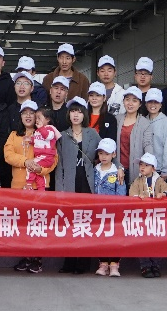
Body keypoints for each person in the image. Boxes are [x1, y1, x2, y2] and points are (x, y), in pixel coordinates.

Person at [4, 102, 53, 274]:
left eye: (31, 113)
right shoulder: (14, 135)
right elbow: (8, 155)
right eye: (24, 112)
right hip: (19, 186)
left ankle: (37, 259)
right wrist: (26, 162)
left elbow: (53, 158)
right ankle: (25, 256)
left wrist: (41, 169)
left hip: (39, 185)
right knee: (22, 223)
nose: (28, 116)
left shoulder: (46, 134)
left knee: (37, 222)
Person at [55, 100, 99, 274]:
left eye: (79, 112)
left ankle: (83, 263)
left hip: (87, 184)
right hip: (69, 185)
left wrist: (117, 167)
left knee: (85, 223)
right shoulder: (62, 136)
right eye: (73, 111)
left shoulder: (92, 134)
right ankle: (69, 262)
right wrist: (59, 190)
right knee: (69, 224)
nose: (76, 115)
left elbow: (106, 153)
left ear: (84, 115)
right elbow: (59, 166)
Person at [129, 152, 167, 278]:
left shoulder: (159, 180)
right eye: (141, 164)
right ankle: (145, 265)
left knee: (157, 241)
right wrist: (138, 196)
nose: (142, 167)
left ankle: (156, 265)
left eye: (146, 165)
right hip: (142, 217)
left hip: (156, 217)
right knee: (143, 241)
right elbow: (131, 193)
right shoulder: (137, 181)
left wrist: (162, 194)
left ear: (153, 168)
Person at [91, 138, 126, 276]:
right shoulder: (94, 170)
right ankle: (103, 262)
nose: (103, 156)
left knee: (115, 236)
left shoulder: (117, 172)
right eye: (101, 153)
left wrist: (119, 210)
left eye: (107, 153)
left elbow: (121, 192)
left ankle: (114, 264)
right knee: (100, 236)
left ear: (114, 154)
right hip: (98, 211)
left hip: (113, 212)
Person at [26, 105, 59, 191]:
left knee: (31, 165)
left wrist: (41, 128)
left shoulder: (50, 129)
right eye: (36, 118)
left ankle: (28, 184)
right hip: (40, 156)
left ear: (47, 119)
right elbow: (37, 141)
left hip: (46, 156)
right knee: (38, 174)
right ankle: (41, 189)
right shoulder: (37, 131)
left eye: (39, 118)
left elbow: (48, 136)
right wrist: (30, 140)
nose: (37, 120)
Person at [141, 88, 167, 173]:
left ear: (161, 105)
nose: (153, 105)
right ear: (145, 104)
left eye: (156, 102)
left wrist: (165, 170)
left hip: (159, 168)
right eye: (150, 102)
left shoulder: (166, 122)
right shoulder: (143, 121)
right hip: (145, 168)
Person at [119, 87, 147, 171]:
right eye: (127, 100)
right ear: (123, 101)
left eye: (134, 101)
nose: (130, 103)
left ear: (140, 104)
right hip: (117, 167)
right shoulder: (117, 119)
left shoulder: (145, 123)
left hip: (137, 169)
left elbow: (148, 146)